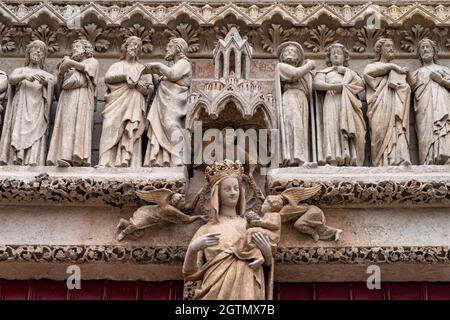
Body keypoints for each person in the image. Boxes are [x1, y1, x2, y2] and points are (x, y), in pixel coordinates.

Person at [183, 160, 274, 300]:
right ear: (216, 194)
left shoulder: (251, 225)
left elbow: (263, 265)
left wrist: (267, 255)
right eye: (227, 189)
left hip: (247, 287)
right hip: (214, 290)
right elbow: (190, 275)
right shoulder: (206, 229)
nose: (233, 193)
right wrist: (193, 249)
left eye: (236, 188)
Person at [98, 36, 153, 167]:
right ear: (126, 47)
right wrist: (124, 76)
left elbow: (150, 88)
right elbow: (108, 78)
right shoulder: (117, 66)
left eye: (137, 46)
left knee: (131, 129)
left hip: (134, 102)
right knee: (109, 126)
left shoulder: (142, 69)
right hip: (115, 102)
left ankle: (130, 162)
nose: (134, 48)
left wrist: (141, 86)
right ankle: (105, 161)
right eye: (131, 45)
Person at [0, 40, 55, 165]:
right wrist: (24, 76)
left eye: (41, 51)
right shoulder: (21, 70)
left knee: (37, 134)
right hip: (21, 107)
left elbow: (55, 88)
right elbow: (12, 79)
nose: (37, 52)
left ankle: (33, 159)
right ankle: (16, 158)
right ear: (28, 53)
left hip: (38, 109)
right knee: (17, 129)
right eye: (34, 49)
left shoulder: (47, 75)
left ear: (43, 57)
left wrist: (47, 84)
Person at [47, 39, 99, 167]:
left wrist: (70, 62)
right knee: (65, 125)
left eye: (77, 46)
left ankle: (77, 158)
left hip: (81, 97)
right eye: (73, 47)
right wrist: (60, 74)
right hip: (66, 99)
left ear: (86, 49)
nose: (74, 49)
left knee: (78, 125)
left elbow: (88, 70)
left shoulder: (92, 61)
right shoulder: (70, 70)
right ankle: (62, 156)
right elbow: (58, 93)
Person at [314, 43, 366, 166]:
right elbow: (316, 84)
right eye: (333, 53)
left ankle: (350, 158)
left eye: (339, 53)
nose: (336, 55)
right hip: (331, 100)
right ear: (329, 58)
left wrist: (348, 73)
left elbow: (360, 86)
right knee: (332, 126)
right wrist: (335, 86)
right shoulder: (324, 72)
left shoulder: (350, 73)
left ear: (345, 57)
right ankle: (333, 158)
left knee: (349, 126)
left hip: (347, 103)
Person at [144, 38, 192, 167]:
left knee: (171, 125)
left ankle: (178, 157)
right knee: (159, 126)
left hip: (174, 102)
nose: (166, 49)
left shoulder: (184, 63)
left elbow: (173, 75)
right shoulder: (174, 64)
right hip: (164, 102)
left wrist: (158, 66)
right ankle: (161, 158)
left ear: (178, 48)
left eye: (170, 46)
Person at [363, 38, 411, 166]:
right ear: (380, 50)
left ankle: (397, 159)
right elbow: (368, 74)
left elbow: (406, 89)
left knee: (397, 129)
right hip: (379, 105)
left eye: (392, 46)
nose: (391, 48)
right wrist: (392, 66)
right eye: (387, 46)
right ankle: (380, 163)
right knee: (378, 132)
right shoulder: (372, 66)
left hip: (395, 108)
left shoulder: (398, 71)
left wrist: (404, 83)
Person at [275, 41, 315, 166]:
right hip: (290, 95)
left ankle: (301, 158)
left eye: (292, 51)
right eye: (286, 51)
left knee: (302, 127)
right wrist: (310, 65)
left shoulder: (304, 72)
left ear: (298, 58)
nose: (289, 52)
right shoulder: (281, 66)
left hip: (302, 98)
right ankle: (296, 158)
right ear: (282, 56)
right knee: (294, 122)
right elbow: (294, 75)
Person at [411, 38, 450, 164]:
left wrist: (441, 81)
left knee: (443, 126)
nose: (425, 50)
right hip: (423, 107)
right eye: (422, 48)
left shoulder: (444, 69)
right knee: (425, 131)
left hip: (442, 102)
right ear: (419, 54)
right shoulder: (416, 73)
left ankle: (446, 155)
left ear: (434, 51)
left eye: (428, 47)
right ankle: (427, 159)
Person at [231, 195, 282, 269]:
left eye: (264, 204)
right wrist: (252, 222)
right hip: (266, 234)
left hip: (272, 235)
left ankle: (238, 248)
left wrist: (261, 222)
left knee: (251, 231)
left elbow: (275, 225)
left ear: (271, 206)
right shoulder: (266, 215)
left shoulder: (275, 215)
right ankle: (258, 257)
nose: (262, 206)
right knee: (252, 239)